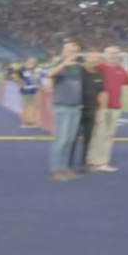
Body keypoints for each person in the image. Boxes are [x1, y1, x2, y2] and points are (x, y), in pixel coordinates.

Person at [87, 46, 128, 172]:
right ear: (105, 55)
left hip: (115, 107)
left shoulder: (120, 69)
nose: (113, 56)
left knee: (108, 136)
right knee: (98, 135)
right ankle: (92, 160)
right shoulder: (99, 68)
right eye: (110, 53)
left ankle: (103, 161)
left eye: (115, 53)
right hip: (100, 107)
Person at [46, 40, 83, 181]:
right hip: (62, 107)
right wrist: (64, 64)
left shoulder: (77, 67)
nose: (72, 53)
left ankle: (64, 167)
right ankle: (55, 170)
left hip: (75, 107)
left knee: (69, 140)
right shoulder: (59, 64)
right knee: (61, 140)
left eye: (74, 51)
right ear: (63, 52)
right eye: (69, 51)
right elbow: (50, 75)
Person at [70, 51, 105, 174]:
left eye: (97, 59)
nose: (95, 61)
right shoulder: (79, 72)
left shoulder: (98, 75)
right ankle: (68, 163)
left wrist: (101, 110)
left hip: (91, 110)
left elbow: (101, 93)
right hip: (77, 109)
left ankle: (83, 163)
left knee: (88, 139)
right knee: (73, 138)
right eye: (92, 59)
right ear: (87, 60)